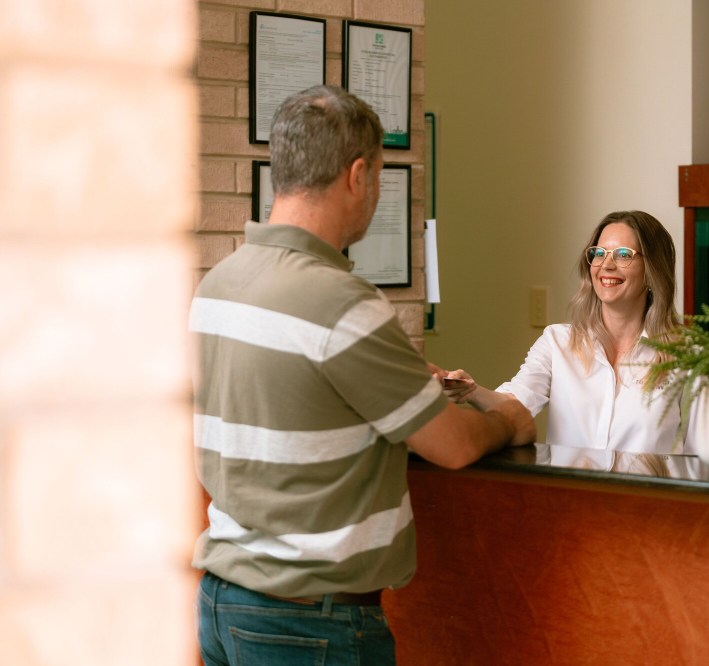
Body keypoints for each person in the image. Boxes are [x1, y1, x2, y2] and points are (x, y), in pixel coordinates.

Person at [188, 84, 535, 666]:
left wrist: (400, 382)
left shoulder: (218, 284)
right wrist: (507, 418)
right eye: (378, 174)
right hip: (309, 624)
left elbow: (291, 400)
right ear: (357, 176)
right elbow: (451, 446)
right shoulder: (343, 302)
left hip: (223, 604)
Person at [440, 210, 688, 454]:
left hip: (650, 484)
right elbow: (516, 404)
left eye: (623, 255)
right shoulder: (557, 342)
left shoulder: (686, 354)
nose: (606, 265)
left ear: (652, 270)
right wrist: (471, 391)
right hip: (568, 483)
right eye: (599, 254)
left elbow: (699, 452)